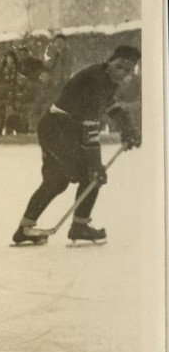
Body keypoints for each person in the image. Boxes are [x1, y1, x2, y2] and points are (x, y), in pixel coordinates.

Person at [12, 45, 141, 246]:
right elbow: (90, 126)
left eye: (128, 70)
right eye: (120, 67)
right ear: (111, 61)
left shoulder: (105, 77)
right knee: (92, 177)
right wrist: (95, 164)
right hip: (59, 130)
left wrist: (129, 128)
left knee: (55, 182)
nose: (123, 73)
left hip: (57, 128)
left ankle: (24, 229)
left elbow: (110, 104)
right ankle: (79, 226)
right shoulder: (97, 79)